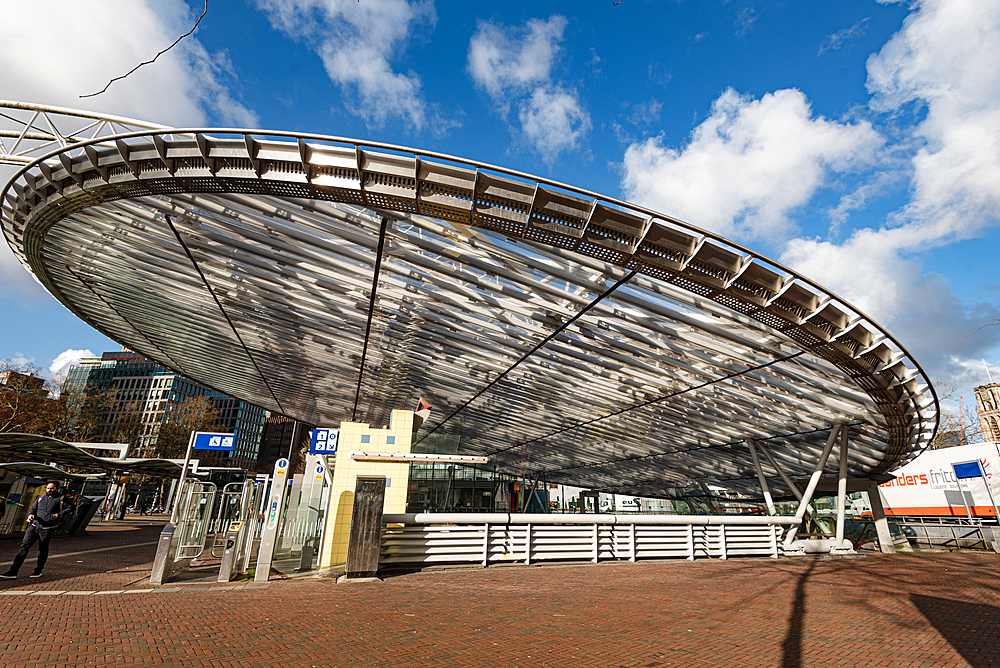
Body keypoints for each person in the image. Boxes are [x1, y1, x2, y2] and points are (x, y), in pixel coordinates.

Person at [1, 482, 68, 579]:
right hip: (34, 526)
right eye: (48, 488)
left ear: (57, 488)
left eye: (51, 488)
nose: (49, 490)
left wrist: (57, 515)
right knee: (23, 547)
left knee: (43, 548)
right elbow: (32, 509)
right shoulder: (40, 498)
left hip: (47, 528)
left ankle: (38, 570)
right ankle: (13, 571)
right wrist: (30, 515)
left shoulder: (61, 499)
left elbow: (70, 508)